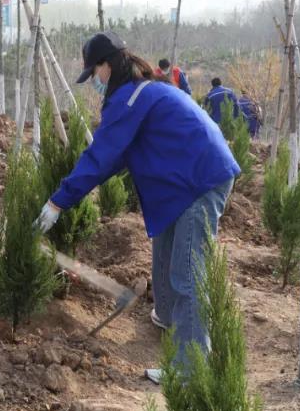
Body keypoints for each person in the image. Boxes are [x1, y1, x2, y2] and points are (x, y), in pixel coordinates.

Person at [34, 32, 240, 384]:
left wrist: (58, 201)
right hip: (183, 180)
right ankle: (169, 322)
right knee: (165, 262)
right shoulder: (146, 91)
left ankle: (192, 369)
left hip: (198, 180)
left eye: (95, 72)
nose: (96, 82)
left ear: (108, 65)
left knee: (188, 273)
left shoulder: (131, 98)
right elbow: (116, 158)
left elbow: (101, 157)